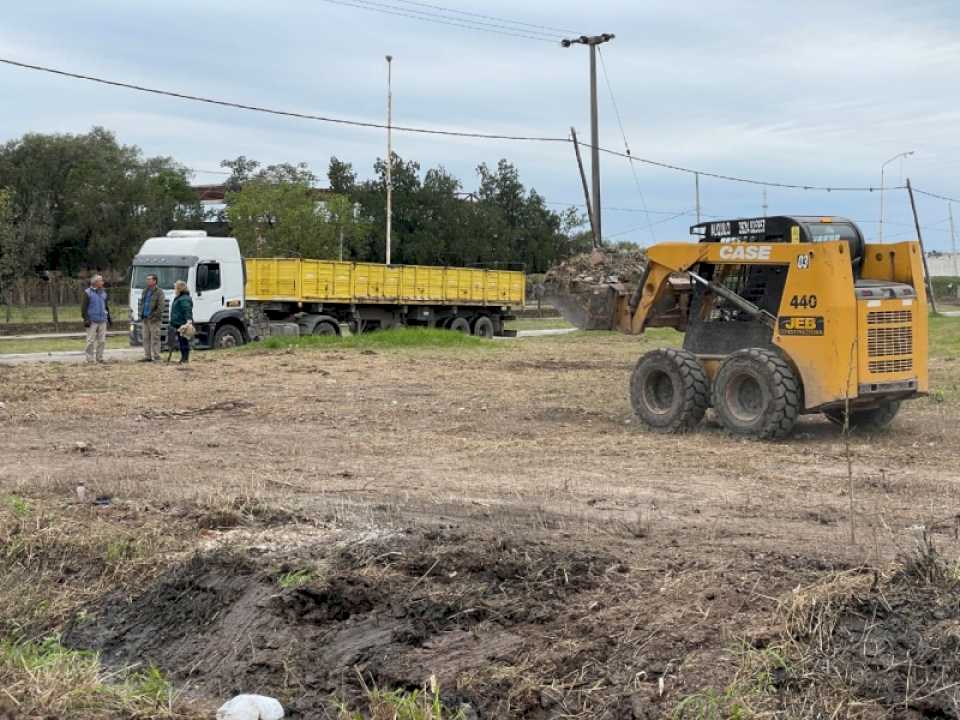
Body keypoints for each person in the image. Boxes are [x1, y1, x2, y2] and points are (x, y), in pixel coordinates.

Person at [81, 275, 110, 364]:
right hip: (92, 320)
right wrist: (86, 319)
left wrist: (109, 318)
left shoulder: (104, 293)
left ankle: (99, 357)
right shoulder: (87, 293)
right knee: (90, 340)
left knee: (102, 341)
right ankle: (90, 359)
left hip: (102, 320)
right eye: (101, 281)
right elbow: (83, 308)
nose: (103, 282)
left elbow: (106, 306)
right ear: (96, 282)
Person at [140, 273, 164, 362]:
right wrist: (142, 315)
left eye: (149, 279)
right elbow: (142, 303)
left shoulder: (159, 292)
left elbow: (161, 306)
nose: (147, 281)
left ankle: (156, 356)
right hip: (145, 319)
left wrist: (154, 316)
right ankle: (147, 356)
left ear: (155, 281)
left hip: (154, 320)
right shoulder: (145, 291)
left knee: (155, 338)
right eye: (147, 279)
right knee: (146, 338)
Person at [169, 280, 194, 365]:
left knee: (184, 342)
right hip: (179, 323)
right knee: (182, 341)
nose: (174, 289)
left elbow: (187, 310)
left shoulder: (184, 299)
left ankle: (185, 359)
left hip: (182, 324)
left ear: (179, 288)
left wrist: (188, 321)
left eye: (175, 287)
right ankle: (183, 358)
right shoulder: (181, 297)